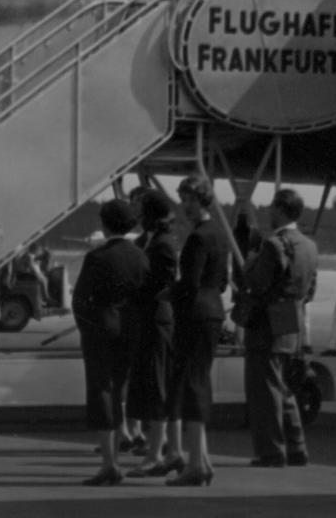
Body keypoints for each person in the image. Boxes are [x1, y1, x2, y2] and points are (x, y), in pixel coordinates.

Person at [240, 188, 318, 468]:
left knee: (264, 389)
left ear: (281, 209)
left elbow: (256, 283)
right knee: (284, 386)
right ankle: (296, 447)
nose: (268, 212)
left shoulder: (273, 244)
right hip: (290, 317)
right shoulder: (309, 246)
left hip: (267, 322)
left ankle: (272, 451)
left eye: (273, 207)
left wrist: (249, 261)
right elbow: (311, 290)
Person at [74, 199, 150, 486]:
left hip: (100, 330)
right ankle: (119, 452)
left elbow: (79, 300)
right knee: (118, 389)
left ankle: (109, 463)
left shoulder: (96, 258)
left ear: (105, 224)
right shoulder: (141, 256)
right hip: (130, 329)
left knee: (101, 391)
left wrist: (88, 327)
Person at [164, 175, 231, 487]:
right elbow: (223, 281)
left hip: (195, 314)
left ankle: (195, 464)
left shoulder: (198, 237)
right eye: (183, 198)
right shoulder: (218, 233)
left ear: (201, 200)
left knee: (192, 385)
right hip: (213, 310)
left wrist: (167, 293)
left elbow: (189, 283)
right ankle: (200, 459)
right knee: (199, 381)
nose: (184, 204)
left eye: (189, 199)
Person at [124, 188, 180, 478]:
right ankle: (161, 448)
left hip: (156, 321)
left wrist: (131, 291)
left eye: (141, 210)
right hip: (147, 321)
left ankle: (156, 453)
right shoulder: (153, 242)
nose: (136, 215)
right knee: (150, 384)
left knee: (157, 386)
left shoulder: (162, 245)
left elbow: (160, 285)